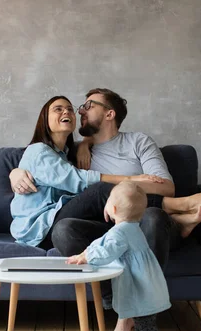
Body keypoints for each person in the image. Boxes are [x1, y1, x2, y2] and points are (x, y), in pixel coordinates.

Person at [10, 88, 201, 331]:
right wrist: (16, 172)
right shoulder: (75, 152)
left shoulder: (137, 142)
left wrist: (128, 189)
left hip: (144, 223)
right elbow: (49, 166)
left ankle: (131, 318)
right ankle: (178, 209)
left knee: (152, 216)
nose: (79, 111)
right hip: (104, 227)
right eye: (79, 107)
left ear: (109, 114)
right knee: (64, 229)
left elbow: (165, 185)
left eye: (88, 105)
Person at [10, 95, 166, 249]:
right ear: (45, 119)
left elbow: (96, 139)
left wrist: (85, 143)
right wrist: (133, 179)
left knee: (110, 206)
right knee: (100, 189)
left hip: (56, 222)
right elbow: (77, 180)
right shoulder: (38, 150)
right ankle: (173, 205)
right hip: (38, 229)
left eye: (70, 109)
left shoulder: (67, 155)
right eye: (58, 109)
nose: (67, 112)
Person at [67, 181, 170, 331]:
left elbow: (107, 252)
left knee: (145, 321)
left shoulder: (121, 233)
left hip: (141, 285)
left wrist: (88, 257)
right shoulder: (130, 227)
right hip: (143, 281)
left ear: (112, 208)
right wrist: (86, 252)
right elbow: (102, 242)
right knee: (139, 317)